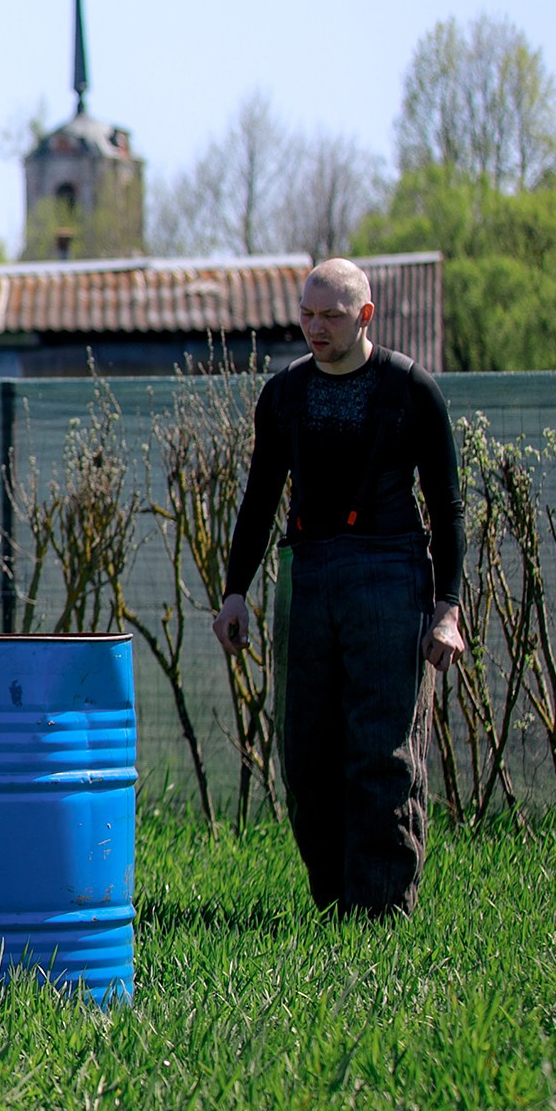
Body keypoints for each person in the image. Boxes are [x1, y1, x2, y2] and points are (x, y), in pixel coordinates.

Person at [215, 258, 464, 918]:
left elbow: (447, 504)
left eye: (331, 315)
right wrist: (235, 590)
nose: (316, 328)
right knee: (307, 758)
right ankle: (333, 905)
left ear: (366, 316)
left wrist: (448, 608)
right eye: (307, 314)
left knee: (381, 754)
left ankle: (381, 915)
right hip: (309, 571)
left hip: (391, 570)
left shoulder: (411, 389)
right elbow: (261, 496)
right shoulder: (285, 394)